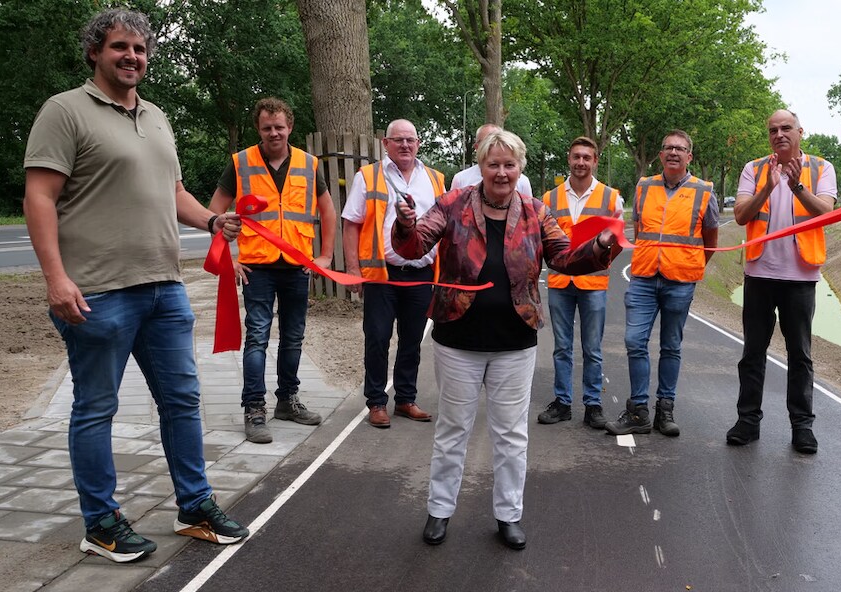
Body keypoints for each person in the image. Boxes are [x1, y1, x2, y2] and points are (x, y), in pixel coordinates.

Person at [23, 8, 248, 563]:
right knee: (96, 407)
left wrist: (212, 221)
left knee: (182, 400)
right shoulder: (65, 111)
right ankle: (100, 523)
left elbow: (173, 192)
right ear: (95, 52)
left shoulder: (157, 116)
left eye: (140, 49)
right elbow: (40, 197)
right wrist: (56, 279)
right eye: (120, 47)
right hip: (98, 291)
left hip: (164, 289)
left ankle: (194, 507)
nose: (132, 57)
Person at [392, 130, 617, 550]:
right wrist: (404, 224)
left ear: (520, 169)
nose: (501, 172)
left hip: (515, 342)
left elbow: (565, 258)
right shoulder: (452, 204)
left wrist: (601, 245)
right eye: (493, 164)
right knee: (452, 430)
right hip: (457, 340)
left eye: (509, 165)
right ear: (480, 166)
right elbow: (413, 247)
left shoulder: (536, 211)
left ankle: (509, 515)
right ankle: (439, 510)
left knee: (511, 436)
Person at [207, 97, 336, 444]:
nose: (274, 133)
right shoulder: (241, 163)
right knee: (257, 337)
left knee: (293, 338)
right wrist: (229, 259)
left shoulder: (308, 164)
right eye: (267, 128)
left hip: (296, 267)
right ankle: (254, 409)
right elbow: (215, 212)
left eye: (279, 127)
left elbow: (327, 211)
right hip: (257, 269)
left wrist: (325, 256)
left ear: (289, 127)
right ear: (258, 129)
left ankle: (287, 401)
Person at [725, 110, 837, 454]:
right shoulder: (754, 169)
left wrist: (796, 186)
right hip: (759, 273)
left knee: (800, 354)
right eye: (773, 129)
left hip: (800, 276)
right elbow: (741, 215)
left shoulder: (822, 168)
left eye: (786, 128)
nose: (779, 134)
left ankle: (802, 427)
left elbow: (827, 213)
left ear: (801, 131)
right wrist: (767, 188)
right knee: (752, 353)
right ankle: (748, 421)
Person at [605, 130, 720, 438]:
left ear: (689, 157)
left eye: (680, 149)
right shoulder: (644, 187)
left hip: (680, 281)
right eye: (668, 147)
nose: (673, 152)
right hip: (643, 277)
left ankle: (665, 410)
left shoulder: (704, 191)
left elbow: (710, 239)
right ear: (660, 155)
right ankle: (639, 411)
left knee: (671, 346)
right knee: (634, 341)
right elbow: (640, 228)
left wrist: (692, 265)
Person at [342, 119, 446, 428]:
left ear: (418, 143)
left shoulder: (436, 180)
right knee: (377, 338)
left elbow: (446, 227)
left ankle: (405, 399)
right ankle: (376, 402)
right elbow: (351, 223)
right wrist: (353, 268)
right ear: (385, 144)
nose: (405, 145)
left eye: (410, 140)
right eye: (398, 140)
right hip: (381, 274)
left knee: (412, 341)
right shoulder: (368, 176)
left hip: (422, 274)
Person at [536, 137, 623, 429]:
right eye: (576, 157)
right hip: (560, 282)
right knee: (562, 347)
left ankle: (593, 405)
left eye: (587, 157)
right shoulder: (550, 199)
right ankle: (562, 402)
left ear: (595, 161)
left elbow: (618, 241)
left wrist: (601, 263)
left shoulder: (611, 197)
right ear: (569, 159)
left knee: (592, 348)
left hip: (593, 284)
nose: (581, 162)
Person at [450, 124, 534, 197]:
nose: (502, 174)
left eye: (509, 165)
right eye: (494, 165)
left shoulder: (523, 182)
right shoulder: (460, 179)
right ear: (477, 147)